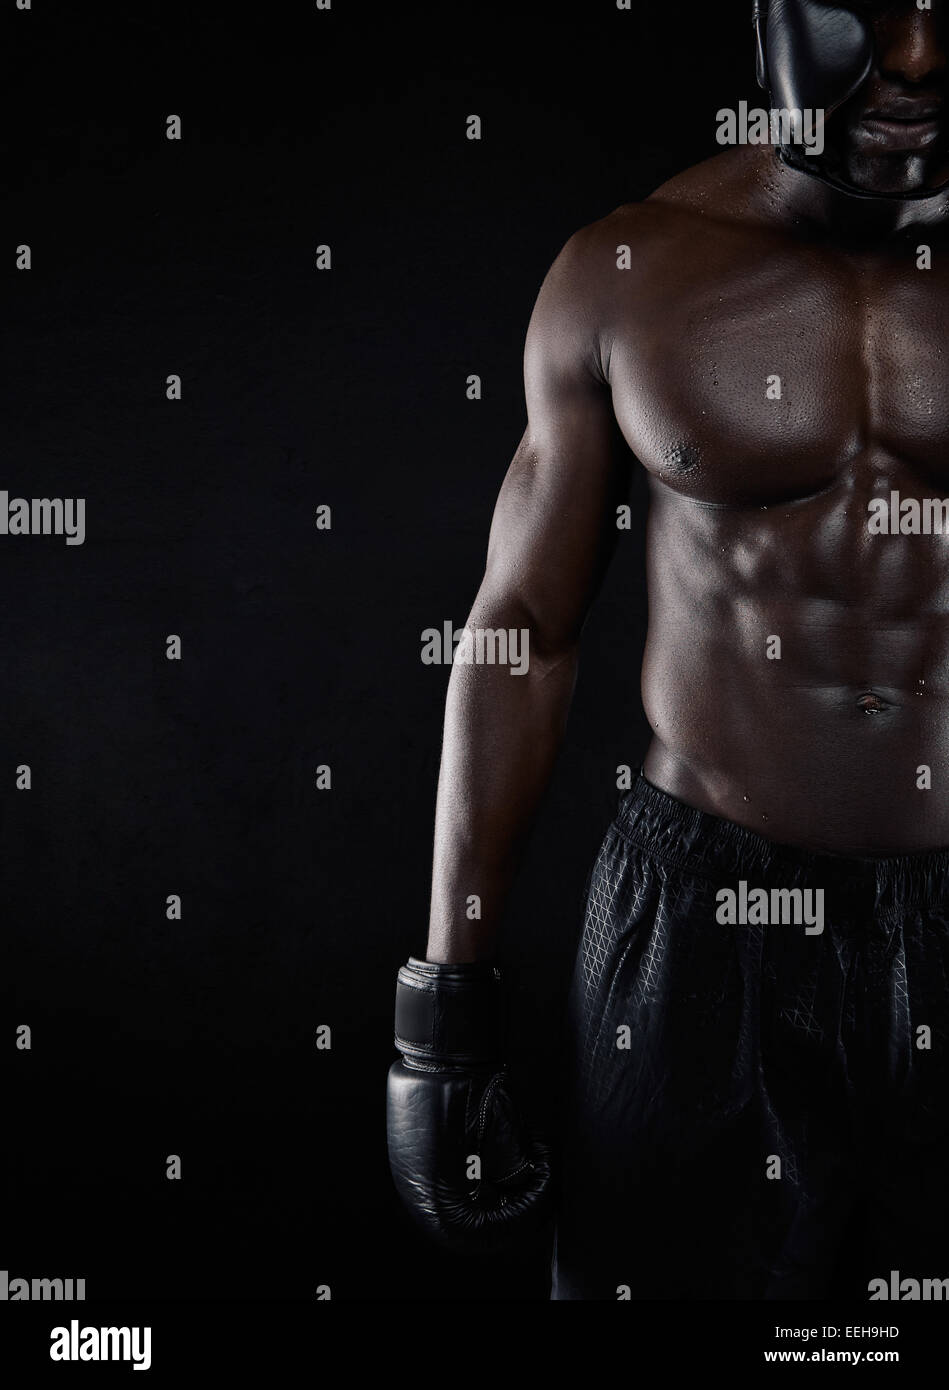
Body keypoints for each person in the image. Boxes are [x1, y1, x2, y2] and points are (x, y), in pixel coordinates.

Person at [387, 0, 949, 1299]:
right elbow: (521, 630)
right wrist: (440, 1016)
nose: (914, 55)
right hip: (697, 921)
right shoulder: (631, 269)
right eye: (867, 4)